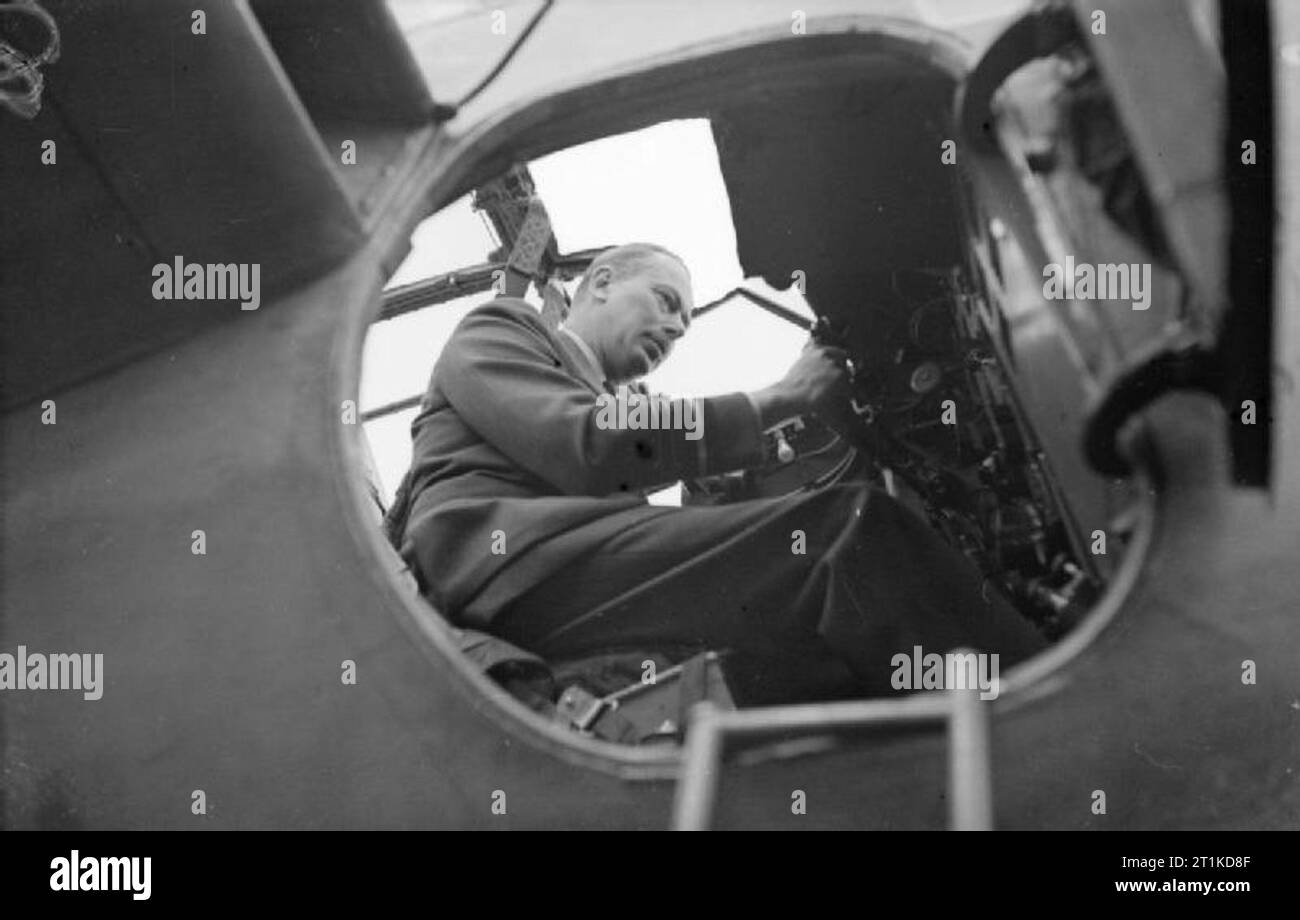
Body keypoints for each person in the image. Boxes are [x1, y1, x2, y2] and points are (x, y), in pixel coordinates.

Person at [385, 242, 1045, 706]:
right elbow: (586, 443)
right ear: (603, 281)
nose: (675, 327)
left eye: (685, 323)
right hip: (507, 565)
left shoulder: (624, 401)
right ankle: (1055, 715)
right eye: (666, 300)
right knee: (850, 529)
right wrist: (779, 399)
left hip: (549, 574)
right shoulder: (505, 327)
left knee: (811, 662)